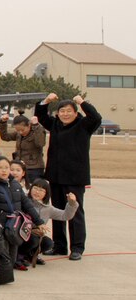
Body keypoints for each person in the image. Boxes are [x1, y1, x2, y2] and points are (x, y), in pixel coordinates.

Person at [35, 93, 101, 260]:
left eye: (69, 111)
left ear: (76, 112)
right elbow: (41, 115)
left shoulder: (84, 124)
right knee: (57, 212)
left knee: (75, 212)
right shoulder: (55, 124)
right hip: (56, 176)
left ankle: (77, 247)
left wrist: (82, 102)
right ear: (58, 114)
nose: (65, 114)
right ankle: (59, 246)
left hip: (75, 177)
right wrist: (46, 101)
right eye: (62, 111)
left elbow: (96, 117)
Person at [0, 156, 45, 272]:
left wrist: (39, 222)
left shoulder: (15, 185)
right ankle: (0, 274)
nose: (4, 170)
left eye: (7, 167)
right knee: (2, 253)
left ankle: (9, 271)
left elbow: (27, 204)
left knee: (12, 254)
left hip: (14, 225)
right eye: (0, 167)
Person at [26, 179, 79, 265]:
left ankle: (31, 255)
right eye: (35, 188)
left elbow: (65, 216)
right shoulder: (24, 201)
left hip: (35, 235)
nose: (37, 192)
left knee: (48, 243)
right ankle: (20, 256)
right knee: (32, 240)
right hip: (22, 234)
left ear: (46, 194)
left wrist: (72, 203)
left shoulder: (48, 208)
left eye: (41, 190)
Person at [0, 114, 46, 184]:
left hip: (34, 168)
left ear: (29, 125)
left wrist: (36, 126)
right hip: (19, 167)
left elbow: (40, 143)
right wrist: (3, 123)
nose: (20, 132)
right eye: (18, 130)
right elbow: (5, 137)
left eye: (22, 130)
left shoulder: (37, 132)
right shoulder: (18, 134)